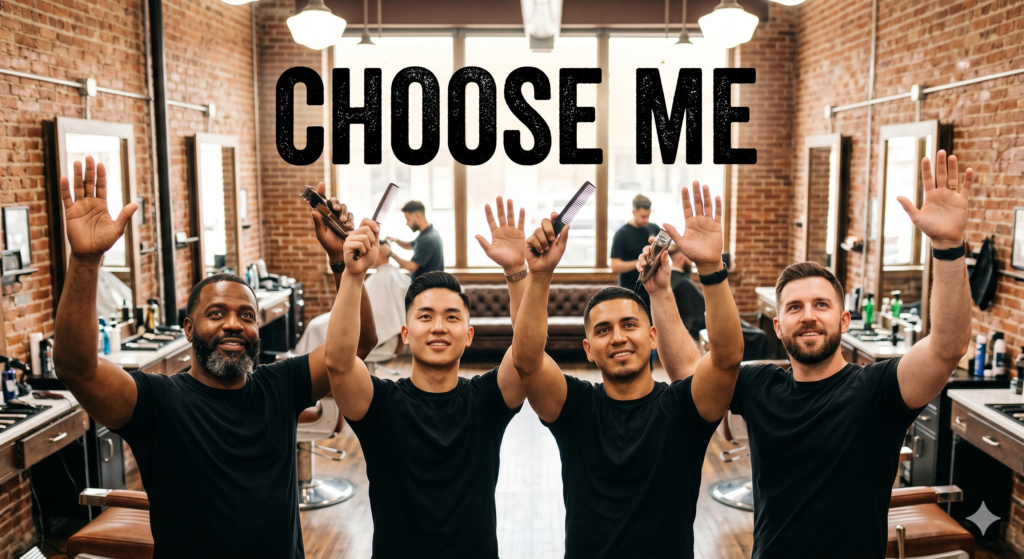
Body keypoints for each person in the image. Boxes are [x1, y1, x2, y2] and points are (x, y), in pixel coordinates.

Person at [53, 161, 377, 559]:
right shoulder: (156, 403)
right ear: (189, 329)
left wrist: (344, 265)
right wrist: (86, 262)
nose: (234, 324)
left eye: (247, 316)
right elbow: (76, 368)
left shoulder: (281, 386)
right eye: (217, 313)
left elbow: (357, 346)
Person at [729, 151, 974, 558]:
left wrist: (948, 247)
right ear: (778, 326)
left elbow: (948, 347)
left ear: (844, 321)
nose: (809, 316)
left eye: (821, 305)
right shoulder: (758, 385)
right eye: (795, 307)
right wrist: (664, 291)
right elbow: (688, 374)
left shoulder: (878, 390)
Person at [513, 183, 745, 558]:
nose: (618, 337)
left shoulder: (683, 407)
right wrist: (539, 277)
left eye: (629, 325)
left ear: (653, 337)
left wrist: (710, 268)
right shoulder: (574, 407)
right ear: (588, 350)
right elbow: (527, 361)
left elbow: (727, 358)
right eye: (603, 330)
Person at [324, 197, 531, 558]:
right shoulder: (380, 404)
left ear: (468, 335)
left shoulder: (486, 400)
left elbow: (528, 354)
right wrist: (352, 274)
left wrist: (517, 271)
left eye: (452, 317)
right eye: (425, 316)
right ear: (405, 334)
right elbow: (340, 363)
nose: (438, 327)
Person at [610, 193, 660, 308]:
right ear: (634, 212)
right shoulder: (622, 234)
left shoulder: (654, 228)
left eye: (648, 216)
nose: (646, 220)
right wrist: (640, 262)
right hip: (629, 291)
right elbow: (615, 265)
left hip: (651, 290)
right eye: (643, 216)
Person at [384, 200, 443, 281]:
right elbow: (410, 245)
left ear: (418, 216)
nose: (407, 223)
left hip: (428, 287)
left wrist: (390, 253)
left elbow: (411, 267)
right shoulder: (429, 233)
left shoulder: (427, 239)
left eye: (408, 219)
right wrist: (395, 240)